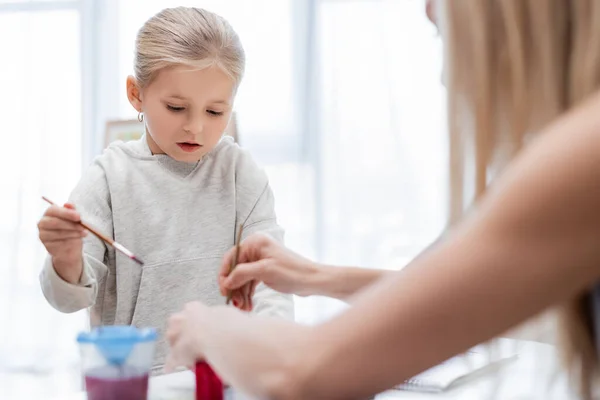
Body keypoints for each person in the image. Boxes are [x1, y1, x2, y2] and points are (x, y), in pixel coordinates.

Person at [164, 0, 600, 398]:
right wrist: (317, 275)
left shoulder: (585, 152)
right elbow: (457, 296)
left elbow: (303, 371)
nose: (427, 7)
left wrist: (209, 327)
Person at [36, 7, 293, 373]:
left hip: (226, 377)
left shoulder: (240, 173)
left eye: (215, 112)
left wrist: (279, 356)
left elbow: (272, 281)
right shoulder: (107, 178)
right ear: (136, 94)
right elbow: (66, 300)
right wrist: (65, 259)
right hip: (133, 385)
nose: (196, 128)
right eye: (176, 107)